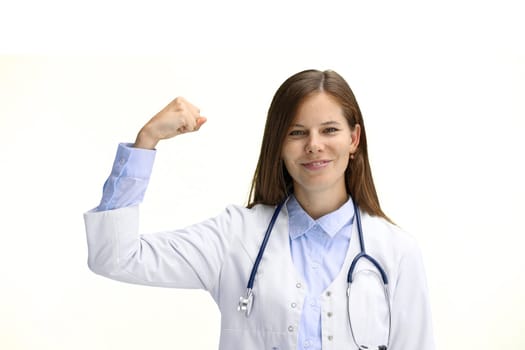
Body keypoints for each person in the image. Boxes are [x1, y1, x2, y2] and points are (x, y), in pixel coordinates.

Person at [84, 69, 435, 350]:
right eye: (297, 133)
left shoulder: (397, 252)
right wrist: (147, 141)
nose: (314, 145)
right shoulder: (234, 237)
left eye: (329, 130)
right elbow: (115, 256)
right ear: (278, 143)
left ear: (353, 140)